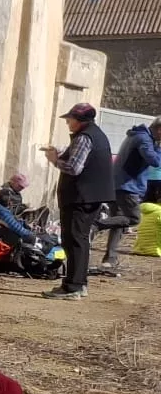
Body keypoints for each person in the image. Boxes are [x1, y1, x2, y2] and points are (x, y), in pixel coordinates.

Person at [41, 102, 117, 299]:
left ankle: (74, 286)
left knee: (75, 240)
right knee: (77, 239)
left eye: (70, 119)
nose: (67, 122)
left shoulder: (85, 137)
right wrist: (58, 149)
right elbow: (76, 152)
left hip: (82, 198)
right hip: (88, 197)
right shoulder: (94, 134)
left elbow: (74, 168)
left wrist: (54, 160)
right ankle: (74, 284)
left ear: (80, 120)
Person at [98, 117, 161, 278]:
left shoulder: (136, 135)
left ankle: (109, 259)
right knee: (133, 219)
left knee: (119, 221)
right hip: (127, 186)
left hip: (118, 184)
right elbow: (154, 160)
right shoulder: (144, 139)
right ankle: (97, 224)